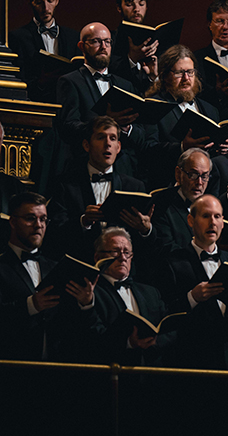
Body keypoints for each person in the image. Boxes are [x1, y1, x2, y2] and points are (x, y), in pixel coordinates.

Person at [161, 194, 228, 370]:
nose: (212, 222)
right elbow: (164, 315)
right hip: (193, 363)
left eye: (217, 216)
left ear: (223, 222)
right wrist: (192, 298)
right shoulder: (173, 263)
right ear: (191, 221)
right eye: (205, 216)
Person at [54, 22, 152, 177]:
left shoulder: (125, 85)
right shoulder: (70, 81)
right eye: (96, 41)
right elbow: (68, 127)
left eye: (107, 42)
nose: (103, 47)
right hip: (84, 167)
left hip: (125, 171)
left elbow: (141, 135)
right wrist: (105, 123)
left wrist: (126, 128)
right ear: (82, 46)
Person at [47, 116, 150, 262]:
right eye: (101, 137)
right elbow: (54, 235)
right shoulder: (65, 184)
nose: (107, 144)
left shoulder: (135, 187)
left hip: (121, 270)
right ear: (86, 145)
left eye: (113, 138)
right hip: (80, 268)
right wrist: (84, 221)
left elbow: (145, 247)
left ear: (118, 147)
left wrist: (145, 230)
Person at [73, 227, 172, 366]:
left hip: (153, 376)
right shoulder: (89, 292)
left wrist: (154, 342)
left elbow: (169, 330)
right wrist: (129, 343)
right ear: (97, 257)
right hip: (112, 376)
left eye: (127, 252)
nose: (122, 258)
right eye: (115, 251)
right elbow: (90, 340)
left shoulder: (150, 293)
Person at [144, 44, 228, 189]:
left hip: (208, 187)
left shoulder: (211, 109)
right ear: (165, 76)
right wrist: (182, 147)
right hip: (170, 185)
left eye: (190, 72)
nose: (186, 78)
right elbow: (148, 149)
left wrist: (225, 150)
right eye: (179, 73)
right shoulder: (154, 106)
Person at [0, 192, 61, 360]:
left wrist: (86, 302)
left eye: (43, 219)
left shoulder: (56, 268)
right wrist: (30, 305)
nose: (38, 225)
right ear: (12, 222)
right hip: (12, 368)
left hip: (57, 370)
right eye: (30, 218)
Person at [8, 0, 79, 103]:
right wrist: (40, 82)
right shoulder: (17, 37)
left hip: (68, 106)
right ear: (28, 1)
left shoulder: (73, 37)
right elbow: (17, 79)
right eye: (39, 2)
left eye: (50, 1)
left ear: (57, 0)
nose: (46, 8)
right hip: (36, 104)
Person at [109, 0, 158, 95]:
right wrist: (132, 59)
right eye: (130, 4)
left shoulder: (154, 40)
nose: (137, 9)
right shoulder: (110, 39)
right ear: (119, 8)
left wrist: (153, 77)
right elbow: (109, 75)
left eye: (141, 4)